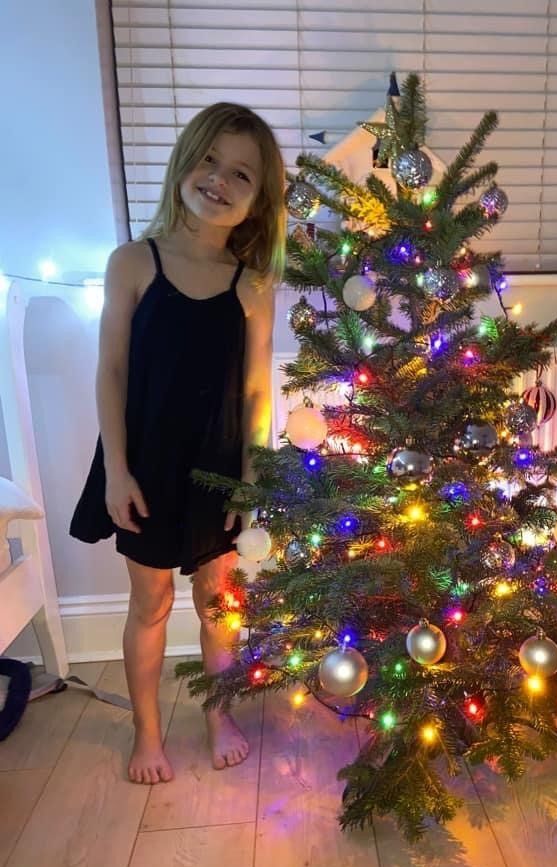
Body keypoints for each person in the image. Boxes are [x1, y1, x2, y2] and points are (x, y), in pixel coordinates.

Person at [70, 103, 285, 784]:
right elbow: (110, 371)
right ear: (185, 161)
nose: (220, 179)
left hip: (218, 469)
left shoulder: (252, 285)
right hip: (147, 465)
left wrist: (249, 483)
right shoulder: (134, 262)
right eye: (210, 160)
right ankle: (147, 733)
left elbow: (256, 394)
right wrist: (116, 470)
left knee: (218, 599)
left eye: (241, 174)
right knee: (152, 603)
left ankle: (219, 716)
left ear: (258, 199)